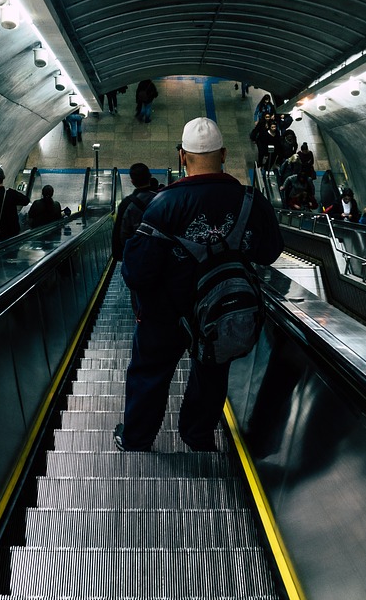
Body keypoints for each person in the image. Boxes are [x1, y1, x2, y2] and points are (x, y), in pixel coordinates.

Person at [116, 117, 283, 452]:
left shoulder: (162, 205)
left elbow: (136, 272)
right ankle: (198, 435)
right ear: (223, 153)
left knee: (149, 374)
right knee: (211, 375)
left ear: (182, 156)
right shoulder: (251, 201)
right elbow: (270, 251)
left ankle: (136, 438)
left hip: (165, 316)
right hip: (222, 313)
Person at [111, 162, 158, 259]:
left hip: (135, 254)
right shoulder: (162, 199)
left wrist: (120, 255)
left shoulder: (126, 204)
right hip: (157, 252)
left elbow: (120, 232)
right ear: (150, 176)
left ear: (132, 181)